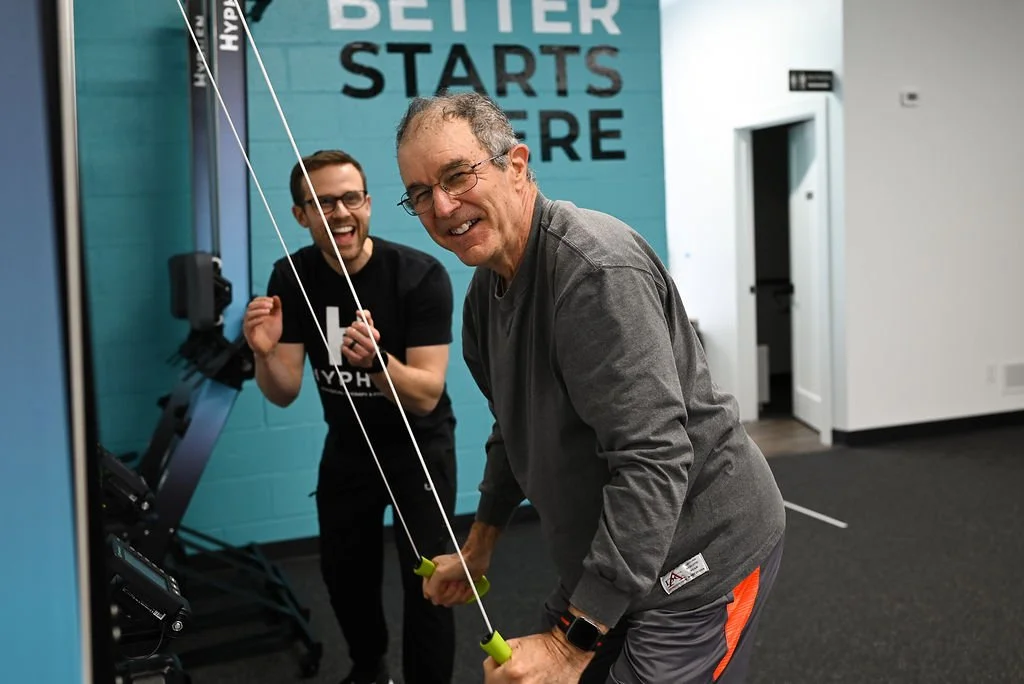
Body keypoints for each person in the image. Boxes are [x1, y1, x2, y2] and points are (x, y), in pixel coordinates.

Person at [393, 92, 787, 684]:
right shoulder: (485, 295)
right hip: (615, 548)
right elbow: (513, 428)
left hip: (698, 560)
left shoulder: (594, 273)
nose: (443, 205)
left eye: (457, 175)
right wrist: (480, 544)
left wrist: (571, 644)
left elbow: (653, 457)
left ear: (516, 165)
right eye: (421, 194)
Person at [242, 149, 458, 684]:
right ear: (301, 214)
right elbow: (284, 392)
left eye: (349, 198)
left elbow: (428, 393)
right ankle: (369, 667)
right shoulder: (290, 275)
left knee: (429, 584)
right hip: (348, 450)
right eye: (321, 202)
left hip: (418, 449)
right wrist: (264, 353)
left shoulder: (419, 275)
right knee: (344, 576)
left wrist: (379, 364)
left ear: (367, 204)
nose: (338, 213)